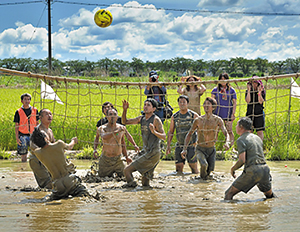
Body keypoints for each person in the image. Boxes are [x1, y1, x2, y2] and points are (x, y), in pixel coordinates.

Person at [224, 117, 276, 200]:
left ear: (241, 127)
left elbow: (242, 160)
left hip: (252, 171)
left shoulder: (241, 140)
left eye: (237, 125)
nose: (235, 127)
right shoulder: (257, 138)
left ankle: (231, 212)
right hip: (265, 170)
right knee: (270, 197)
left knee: (228, 194)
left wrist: (233, 169)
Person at [30, 128, 88, 200]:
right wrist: (73, 141)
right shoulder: (59, 144)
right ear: (45, 138)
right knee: (84, 194)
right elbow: (70, 146)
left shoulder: (38, 153)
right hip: (70, 180)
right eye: (45, 134)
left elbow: (32, 146)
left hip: (57, 186)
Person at [181, 97, 230, 179]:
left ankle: (204, 184)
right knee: (204, 164)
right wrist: (184, 149)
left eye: (208, 104)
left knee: (209, 170)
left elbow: (226, 133)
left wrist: (227, 142)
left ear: (213, 107)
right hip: (200, 148)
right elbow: (189, 134)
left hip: (211, 149)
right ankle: (201, 184)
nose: (206, 106)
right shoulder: (198, 120)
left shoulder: (217, 120)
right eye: (204, 104)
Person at [122, 98, 166, 187]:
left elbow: (164, 137)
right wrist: (125, 110)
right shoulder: (141, 119)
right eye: (145, 104)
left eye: (148, 105)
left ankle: (131, 189)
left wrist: (154, 132)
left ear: (154, 109)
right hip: (146, 151)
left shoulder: (156, 120)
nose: (145, 107)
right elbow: (124, 122)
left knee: (127, 170)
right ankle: (146, 196)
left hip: (153, 153)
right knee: (145, 182)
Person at [95, 108, 139, 177]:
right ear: (106, 117)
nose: (112, 116)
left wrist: (133, 147)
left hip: (118, 160)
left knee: (126, 176)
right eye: (110, 114)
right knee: (100, 178)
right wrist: (116, 132)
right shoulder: (102, 128)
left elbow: (124, 141)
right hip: (105, 160)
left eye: (114, 114)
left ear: (117, 117)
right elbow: (104, 136)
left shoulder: (121, 128)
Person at [166, 95, 199, 173]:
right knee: (178, 169)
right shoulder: (175, 116)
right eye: (180, 102)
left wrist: (198, 142)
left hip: (191, 145)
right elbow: (171, 131)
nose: (182, 104)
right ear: (178, 104)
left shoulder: (193, 115)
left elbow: (200, 129)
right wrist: (168, 146)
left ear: (187, 103)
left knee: (194, 169)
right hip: (180, 145)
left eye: (184, 102)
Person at [211, 73, 237, 147]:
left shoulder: (231, 90)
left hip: (228, 112)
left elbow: (234, 102)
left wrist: (233, 113)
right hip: (218, 112)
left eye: (224, 79)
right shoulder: (215, 90)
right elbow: (212, 101)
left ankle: (231, 147)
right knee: (216, 131)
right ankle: (213, 147)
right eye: (221, 79)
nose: (223, 81)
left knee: (229, 130)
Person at [13, 93, 39, 162]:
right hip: (23, 135)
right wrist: (17, 138)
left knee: (36, 153)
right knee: (23, 154)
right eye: (25, 99)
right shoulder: (18, 112)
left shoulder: (35, 110)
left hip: (33, 135)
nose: (27, 101)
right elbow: (16, 126)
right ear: (22, 101)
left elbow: (37, 123)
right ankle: (23, 167)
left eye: (28, 99)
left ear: (30, 101)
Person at [245, 77, 266, 141]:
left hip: (259, 112)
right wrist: (248, 91)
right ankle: (250, 146)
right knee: (249, 131)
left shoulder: (262, 91)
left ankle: (260, 146)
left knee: (259, 131)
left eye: (256, 83)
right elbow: (248, 101)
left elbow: (261, 101)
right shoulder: (248, 91)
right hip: (250, 112)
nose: (254, 84)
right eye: (253, 82)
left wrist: (259, 92)